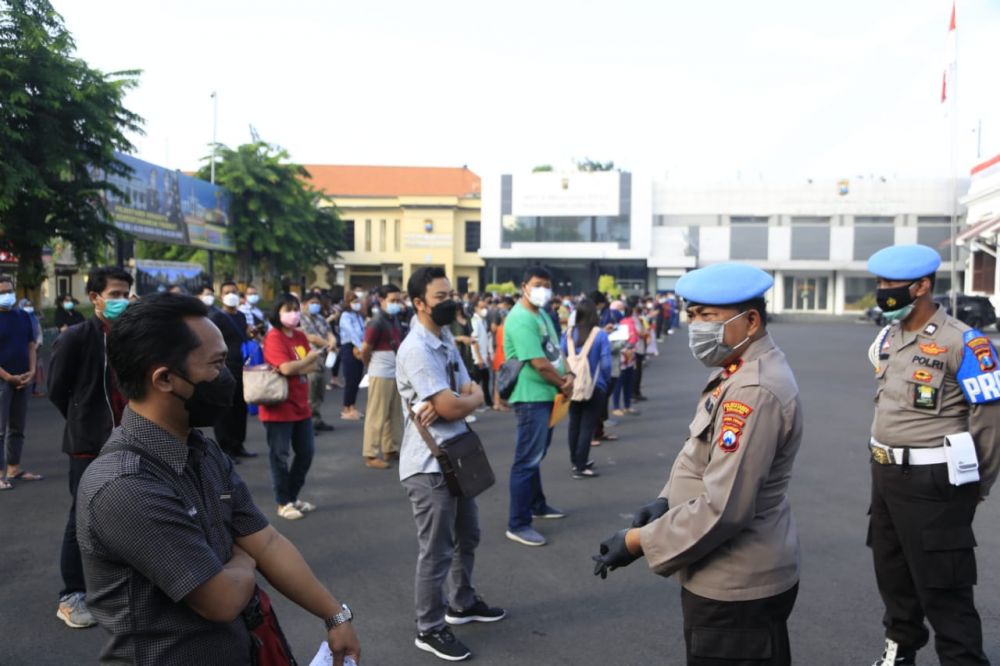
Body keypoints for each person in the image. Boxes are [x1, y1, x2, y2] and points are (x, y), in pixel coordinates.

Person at [75, 293, 361, 665]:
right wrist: (244, 560)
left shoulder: (203, 451)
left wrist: (335, 615)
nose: (228, 376)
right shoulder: (125, 486)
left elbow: (268, 543)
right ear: (164, 379)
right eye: (217, 364)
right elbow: (220, 599)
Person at [592, 263, 802, 666]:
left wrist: (637, 542)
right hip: (724, 571)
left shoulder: (754, 390)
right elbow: (701, 451)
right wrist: (666, 500)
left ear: (751, 320)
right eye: (692, 315)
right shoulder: (738, 370)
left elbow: (724, 507)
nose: (696, 326)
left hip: (736, 583)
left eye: (708, 316)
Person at [864, 244, 999, 666]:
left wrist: (977, 484)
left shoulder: (966, 343)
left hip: (935, 481)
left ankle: (962, 660)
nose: (882, 292)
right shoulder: (889, 336)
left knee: (944, 587)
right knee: (894, 574)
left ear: (921, 286)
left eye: (890, 285)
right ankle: (900, 650)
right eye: (880, 284)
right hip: (885, 476)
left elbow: (991, 423)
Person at [396, 266, 505, 662]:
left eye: (450, 294)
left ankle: (461, 602)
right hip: (428, 465)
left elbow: (467, 389)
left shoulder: (442, 338)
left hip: (455, 456)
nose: (450, 302)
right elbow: (451, 403)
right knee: (437, 549)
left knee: (468, 534)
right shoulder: (417, 348)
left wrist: (466, 399)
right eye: (440, 298)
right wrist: (469, 400)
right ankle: (429, 626)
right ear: (419, 303)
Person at [47, 266, 133, 628]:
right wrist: (84, 418)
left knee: (128, 511)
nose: (121, 301)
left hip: (128, 438)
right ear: (95, 297)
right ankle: (72, 595)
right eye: (114, 294)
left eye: (125, 294)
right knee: (80, 517)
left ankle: (115, 586)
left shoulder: (131, 336)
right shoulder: (77, 337)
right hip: (87, 443)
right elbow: (56, 389)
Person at [502, 266, 573, 547]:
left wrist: (568, 376)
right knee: (526, 460)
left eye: (547, 284)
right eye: (538, 284)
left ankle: (537, 504)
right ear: (524, 286)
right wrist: (563, 382)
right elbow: (539, 363)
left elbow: (555, 352)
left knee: (536, 455)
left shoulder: (541, 314)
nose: (543, 289)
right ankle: (518, 523)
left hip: (548, 394)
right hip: (531, 397)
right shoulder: (520, 319)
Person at [260, 294, 321, 520]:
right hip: (279, 407)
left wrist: (299, 366)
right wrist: (304, 363)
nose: (294, 313)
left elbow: (309, 368)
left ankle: (292, 497)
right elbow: (286, 368)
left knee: (306, 452)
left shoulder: (299, 336)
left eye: (296, 309)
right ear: (277, 312)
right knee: (280, 456)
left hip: (300, 404)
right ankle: (282, 502)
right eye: (288, 309)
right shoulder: (274, 337)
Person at [560, 298, 611, 479]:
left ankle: (576, 460)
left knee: (574, 423)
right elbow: (605, 364)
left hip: (572, 385)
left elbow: (561, 358)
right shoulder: (600, 335)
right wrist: (605, 382)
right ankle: (581, 466)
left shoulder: (568, 334)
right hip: (594, 386)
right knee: (587, 426)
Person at [0, 275, 40, 491]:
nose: (6, 295)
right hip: (3, 380)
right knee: (0, 428)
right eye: (1, 292)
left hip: (23, 377)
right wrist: (7, 377)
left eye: (8, 291)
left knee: (17, 426)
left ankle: (13, 467)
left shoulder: (23, 316)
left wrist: (32, 371)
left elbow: (31, 345)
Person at [209, 280, 257, 460]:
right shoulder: (217, 318)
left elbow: (243, 337)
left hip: (242, 368)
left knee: (240, 408)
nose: (231, 295)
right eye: (227, 292)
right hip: (225, 369)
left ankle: (238, 445)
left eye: (234, 291)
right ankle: (225, 449)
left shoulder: (241, 316)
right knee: (225, 410)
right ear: (221, 297)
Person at [359, 283, 403, 469]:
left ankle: (390, 448)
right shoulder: (376, 322)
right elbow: (365, 349)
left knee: (393, 414)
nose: (396, 303)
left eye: (398, 300)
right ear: (382, 300)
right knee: (376, 415)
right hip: (381, 371)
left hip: (394, 371)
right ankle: (371, 454)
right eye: (392, 300)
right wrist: (370, 365)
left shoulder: (393, 319)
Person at [301, 291, 337, 433]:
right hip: (309, 357)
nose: (315, 306)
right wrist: (328, 345)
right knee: (311, 390)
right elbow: (311, 338)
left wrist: (332, 341)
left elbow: (329, 332)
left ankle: (316, 419)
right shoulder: (301, 319)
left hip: (323, 357)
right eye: (312, 303)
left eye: (317, 303)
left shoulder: (320, 318)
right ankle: (307, 423)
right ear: (304, 304)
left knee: (320, 390)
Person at [338, 289, 366, 421]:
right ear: (348, 303)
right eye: (354, 301)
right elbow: (351, 333)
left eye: (358, 301)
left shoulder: (358, 316)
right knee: (350, 379)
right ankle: (346, 408)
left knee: (357, 379)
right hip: (349, 347)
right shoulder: (345, 316)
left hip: (359, 346)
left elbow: (363, 332)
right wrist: (360, 347)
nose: (357, 304)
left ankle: (352, 406)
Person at [471, 297, 493, 410]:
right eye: (481, 307)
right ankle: (475, 404)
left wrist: (487, 355)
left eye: (485, 307)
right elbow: (474, 341)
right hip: (478, 358)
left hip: (483, 356)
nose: (484, 309)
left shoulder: (482, 321)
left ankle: (488, 402)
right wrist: (479, 358)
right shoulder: (475, 322)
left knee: (486, 380)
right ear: (475, 308)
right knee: (476, 382)